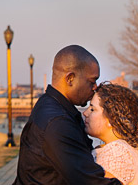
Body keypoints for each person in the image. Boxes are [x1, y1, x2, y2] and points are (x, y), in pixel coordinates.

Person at [13, 45, 121, 185]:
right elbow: (91, 181)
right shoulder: (58, 123)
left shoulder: (49, 105)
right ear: (70, 78)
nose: (95, 87)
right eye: (92, 81)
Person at [84, 82, 138, 185]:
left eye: (92, 109)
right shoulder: (125, 147)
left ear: (111, 119)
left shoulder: (118, 152)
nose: (85, 113)